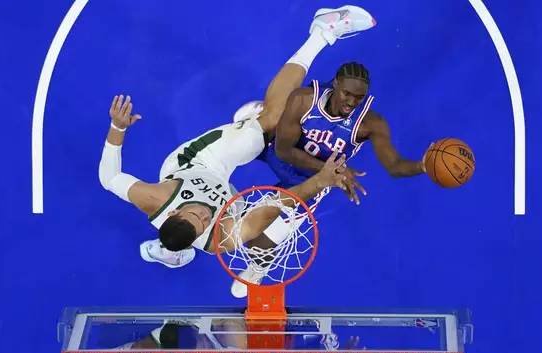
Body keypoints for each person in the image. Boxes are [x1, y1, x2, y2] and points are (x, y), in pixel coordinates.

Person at [98, 6, 377, 267]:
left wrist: (118, 127)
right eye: (203, 222)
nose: (206, 215)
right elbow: (278, 202)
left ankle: (321, 31)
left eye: (196, 214)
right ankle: (170, 251)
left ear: (173, 212)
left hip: (201, 164)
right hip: (231, 201)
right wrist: (321, 180)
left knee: (272, 118)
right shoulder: (223, 237)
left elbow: (109, 178)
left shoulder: (156, 198)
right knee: (259, 238)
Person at [228, 63, 432, 297]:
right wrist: (330, 170)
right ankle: (265, 115)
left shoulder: (369, 124)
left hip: (311, 183)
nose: (351, 102)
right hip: (283, 152)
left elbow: (394, 166)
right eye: (347, 94)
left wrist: (420, 166)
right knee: (236, 147)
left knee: (259, 244)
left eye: (359, 97)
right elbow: (284, 150)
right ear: (335, 84)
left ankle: (258, 268)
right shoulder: (304, 99)